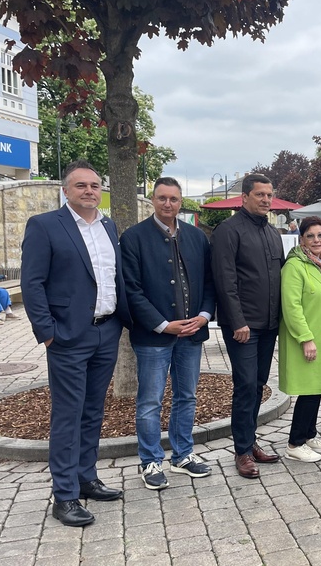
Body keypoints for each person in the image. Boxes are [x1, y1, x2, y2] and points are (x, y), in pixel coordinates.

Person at [21, 160, 130, 527]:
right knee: (68, 415)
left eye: (95, 185)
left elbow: (112, 277)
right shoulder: (45, 226)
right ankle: (64, 495)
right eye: (81, 185)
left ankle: (86, 478)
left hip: (106, 331)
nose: (89, 191)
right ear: (66, 190)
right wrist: (47, 331)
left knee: (93, 411)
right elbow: (32, 283)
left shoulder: (108, 225)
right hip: (67, 336)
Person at [120, 177, 216, 491]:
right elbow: (131, 290)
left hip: (191, 334)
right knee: (150, 401)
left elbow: (208, 283)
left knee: (186, 397)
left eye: (174, 199)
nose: (168, 204)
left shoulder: (196, 237)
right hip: (154, 337)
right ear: (152, 199)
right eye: (162, 198)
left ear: (180, 201)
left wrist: (203, 316)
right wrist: (162, 324)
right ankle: (150, 460)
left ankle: (183, 455)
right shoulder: (134, 238)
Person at [211, 174, 284, 479]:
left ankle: (250, 441)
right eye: (260, 195)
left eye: (269, 195)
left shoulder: (272, 233)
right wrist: (237, 321)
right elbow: (224, 280)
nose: (266, 200)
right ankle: (241, 451)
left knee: (258, 385)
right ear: (245, 197)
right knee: (244, 386)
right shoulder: (228, 231)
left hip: (268, 325)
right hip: (243, 326)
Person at [278, 216, 321, 463]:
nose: (317, 240)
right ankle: (295, 442)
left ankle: (309, 433)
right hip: (308, 339)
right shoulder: (295, 266)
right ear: (301, 238)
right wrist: (305, 338)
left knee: (317, 389)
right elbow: (291, 305)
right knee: (308, 390)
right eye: (311, 236)